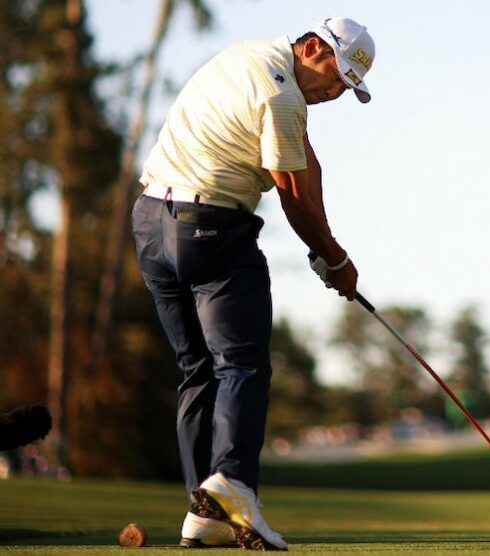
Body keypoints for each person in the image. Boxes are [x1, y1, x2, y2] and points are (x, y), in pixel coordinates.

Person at [131, 17, 375, 550]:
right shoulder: (284, 97)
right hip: (211, 229)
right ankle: (234, 485)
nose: (335, 93)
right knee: (242, 364)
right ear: (313, 47)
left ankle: (204, 513)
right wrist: (335, 259)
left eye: (346, 89)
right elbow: (293, 199)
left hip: (151, 223)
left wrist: (327, 248)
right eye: (336, 78)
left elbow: (306, 163)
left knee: (196, 371)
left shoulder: (252, 56)